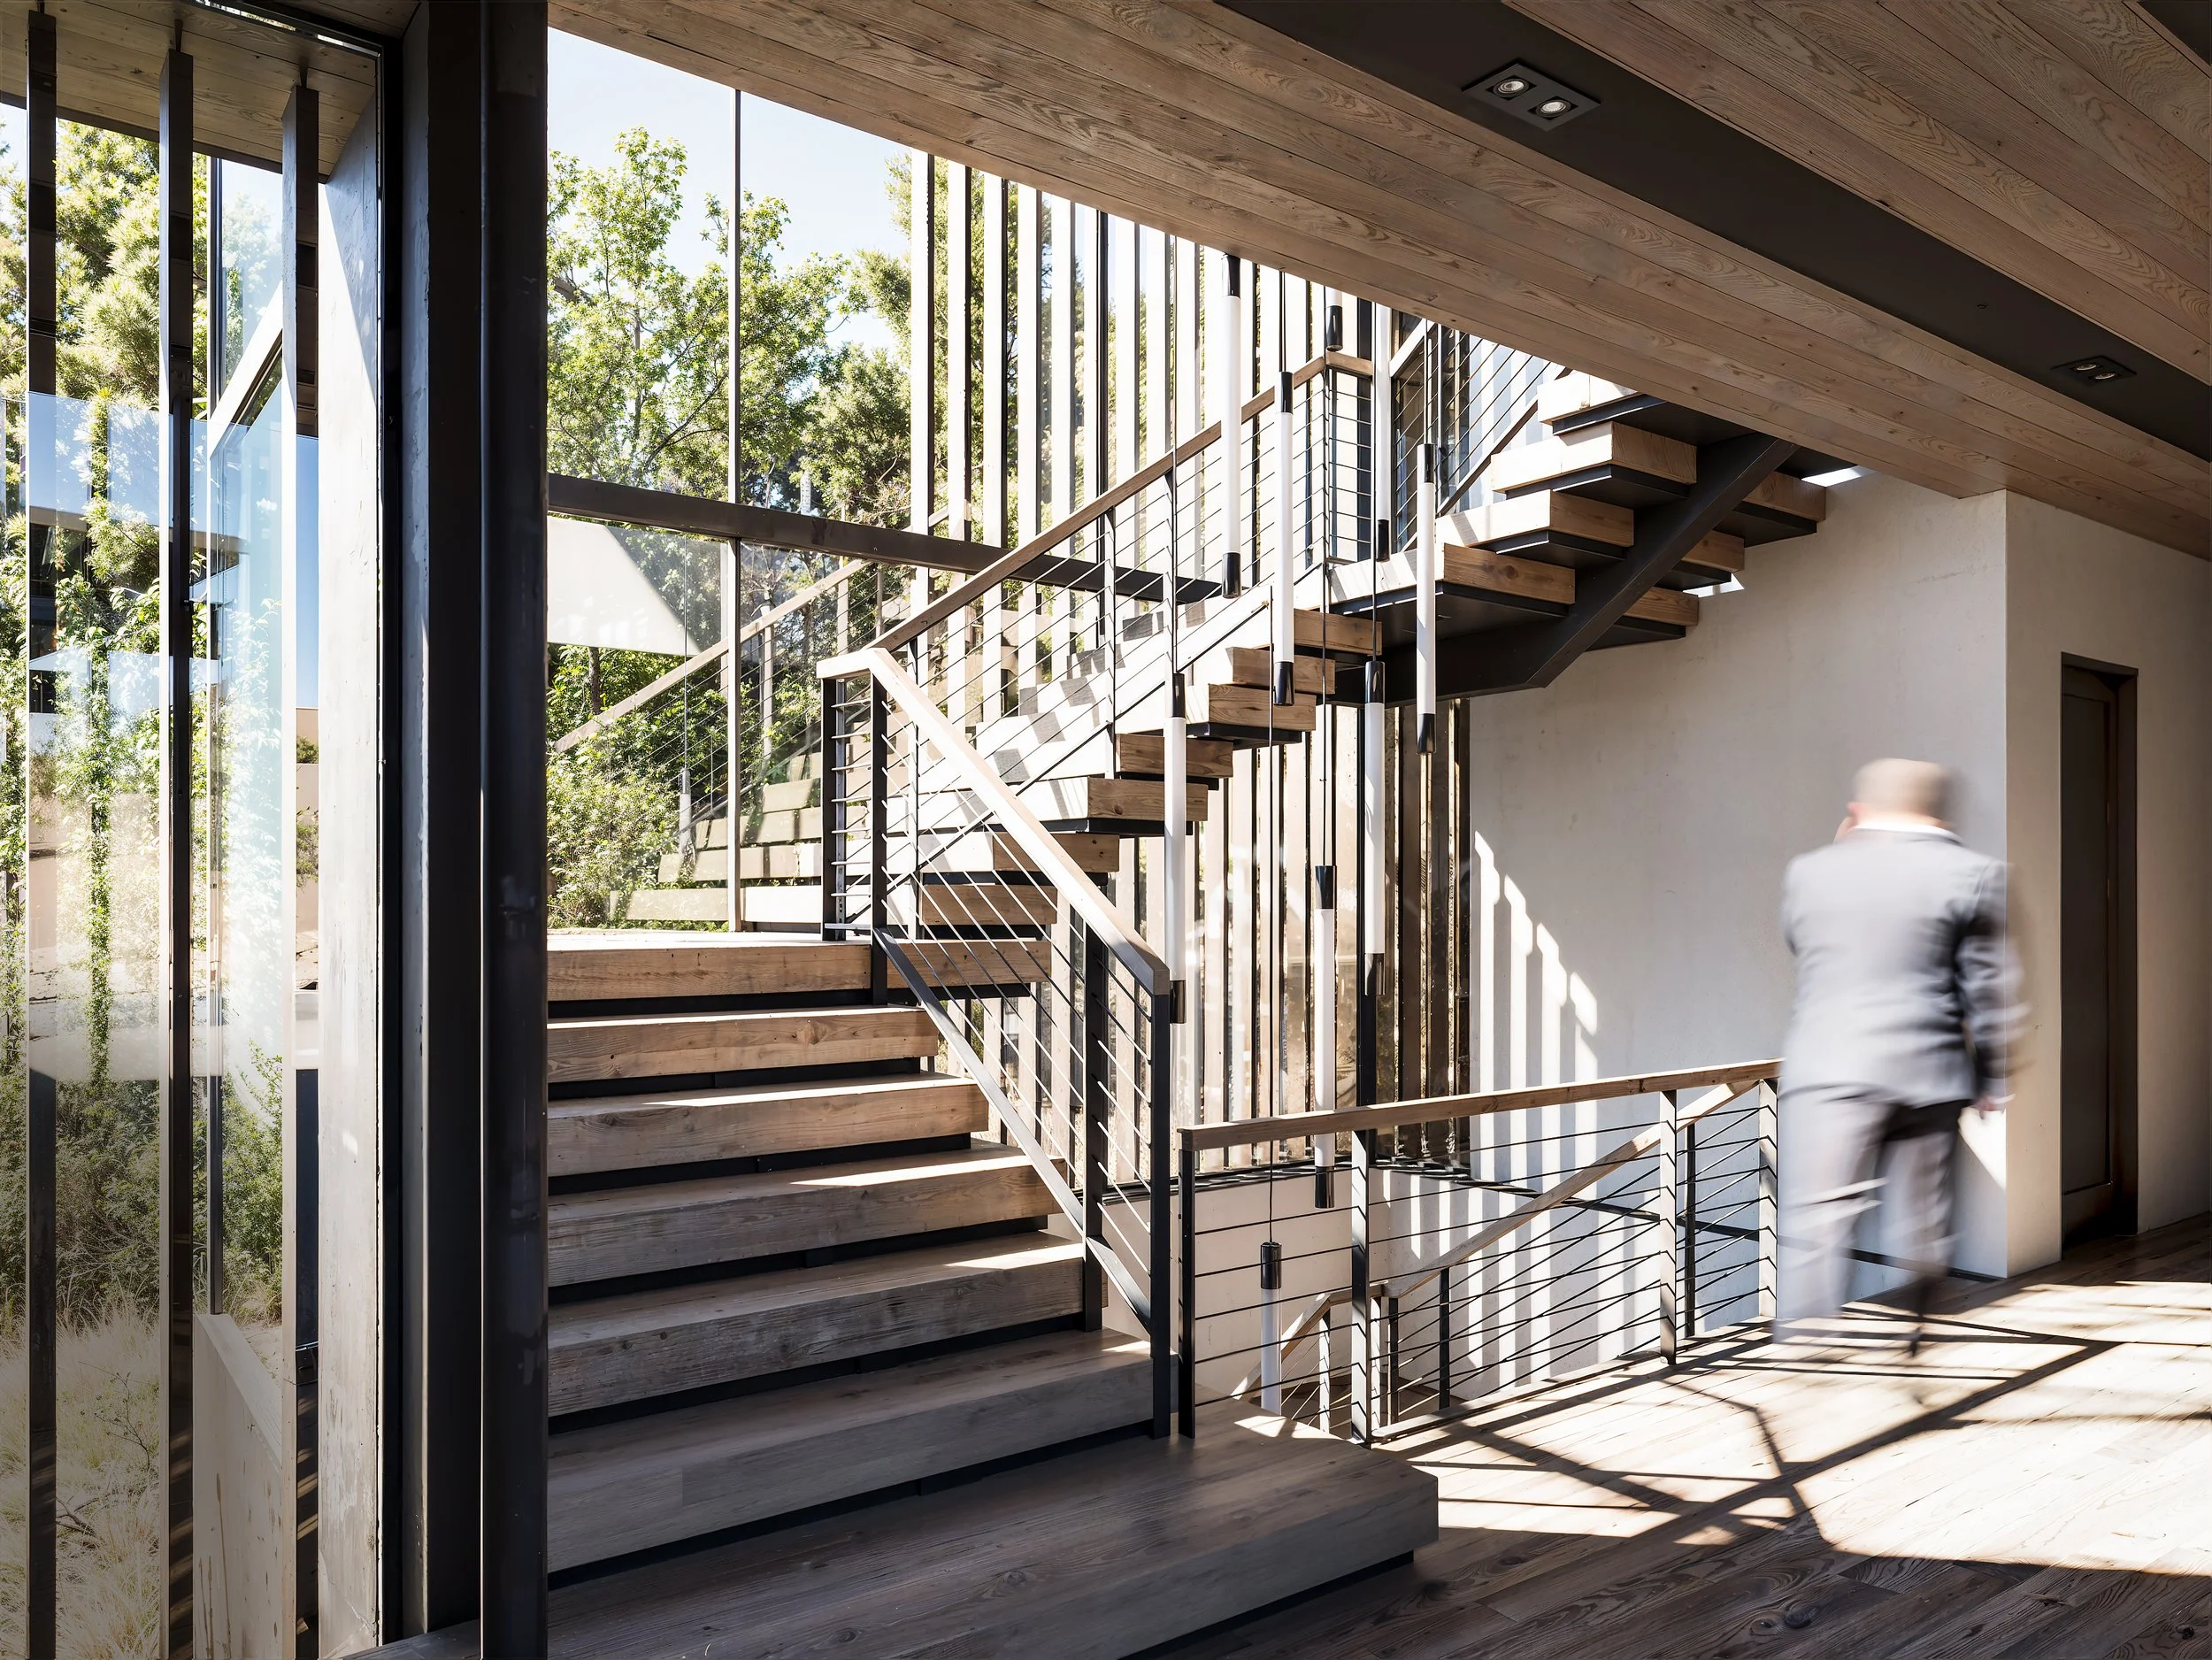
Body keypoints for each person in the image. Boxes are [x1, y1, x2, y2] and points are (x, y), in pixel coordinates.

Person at [1776, 758, 2021, 1349]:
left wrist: (1843, 852)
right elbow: (1991, 991)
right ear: (1940, 811)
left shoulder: (1811, 872)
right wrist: (1994, 1075)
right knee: (1922, 1218)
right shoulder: (1976, 873)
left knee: (1817, 1220)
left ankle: (1807, 1350)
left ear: (1859, 811)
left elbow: (1800, 942)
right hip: (1928, 1071)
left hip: (1828, 1066)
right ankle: (1916, 1328)